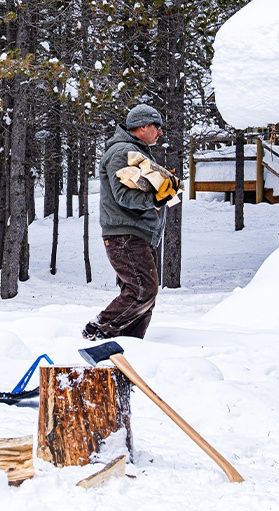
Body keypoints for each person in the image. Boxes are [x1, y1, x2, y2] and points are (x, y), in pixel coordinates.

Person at [82, 103, 177, 340]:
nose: (160, 132)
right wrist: (157, 198)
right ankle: (96, 331)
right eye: (156, 126)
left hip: (138, 234)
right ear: (142, 126)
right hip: (126, 234)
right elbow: (123, 195)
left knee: (145, 298)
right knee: (142, 291)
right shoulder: (122, 152)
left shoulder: (135, 151)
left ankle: (130, 347)